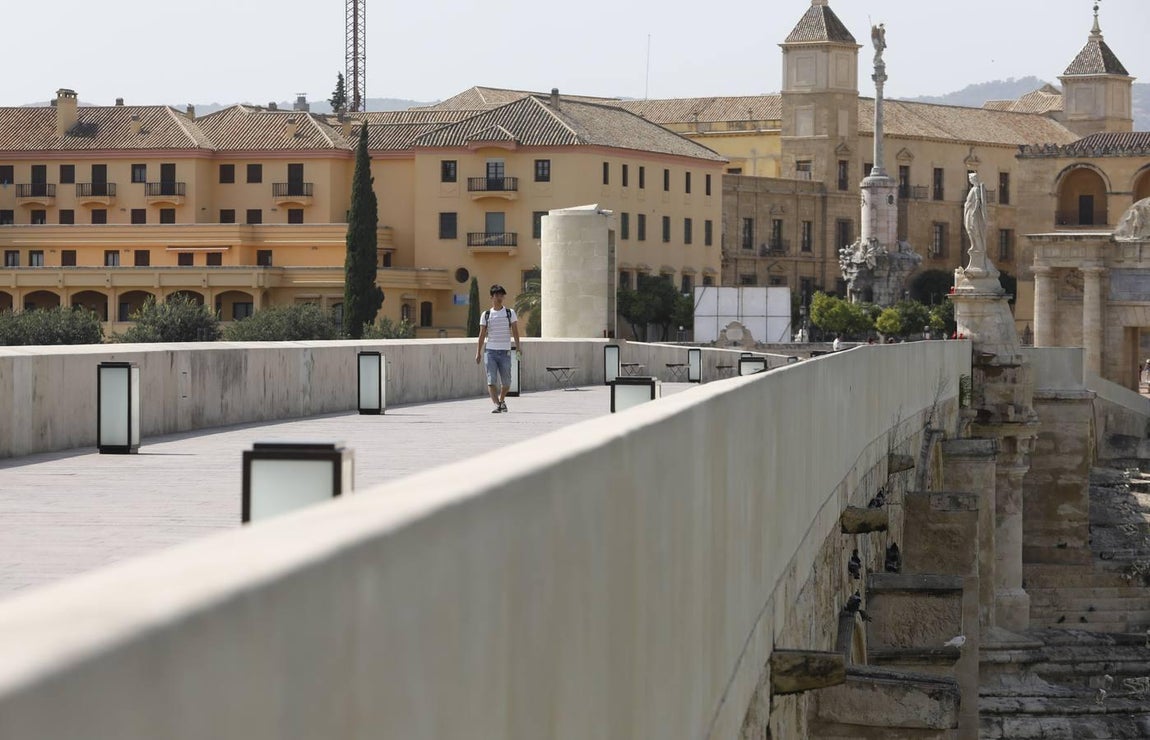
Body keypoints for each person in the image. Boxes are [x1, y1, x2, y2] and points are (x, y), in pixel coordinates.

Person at [475, 284, 521, 413]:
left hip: (505, 352)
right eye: (497, 295)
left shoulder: (509, 313)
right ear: (492, 297)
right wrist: (478, 352)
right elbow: (482, 334)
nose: (499, 297)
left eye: (501, 295)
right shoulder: (486, 314)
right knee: (491, 380)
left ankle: (501, 400)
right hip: (490, 352)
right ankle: (496, 405)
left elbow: (516, 331)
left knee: (506, 382)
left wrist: (518, 347)